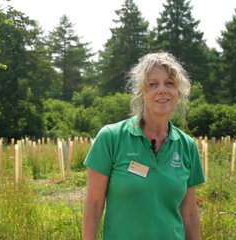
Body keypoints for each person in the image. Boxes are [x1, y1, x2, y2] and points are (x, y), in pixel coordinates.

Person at [82, 52, 205, 240]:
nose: (162, 90)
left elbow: (189, 214)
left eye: (169, 83)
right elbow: (94, 205)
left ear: (178, 92)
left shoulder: (187, 146)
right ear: (141, 93)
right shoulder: (111, 138)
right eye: (153, 84)